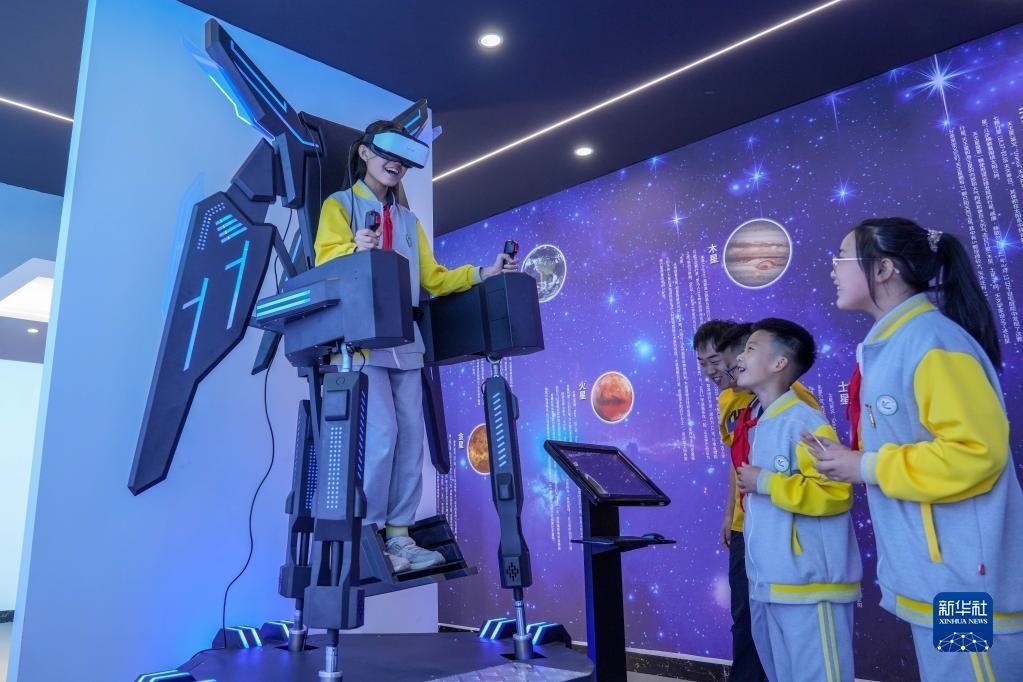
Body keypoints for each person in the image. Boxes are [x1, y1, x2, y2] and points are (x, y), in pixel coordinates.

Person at [806, 217, 1023, 680]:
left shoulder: (930, 342)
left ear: (884, 269)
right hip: (938, 576)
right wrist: (851, 461)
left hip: (963, 586)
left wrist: (865, 466)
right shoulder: (897, 342)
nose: (832, 268)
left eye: (841, 257)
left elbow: (976, 453)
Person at [314, 120, 517, 572]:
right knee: (381, 434)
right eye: (389, 155)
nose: (397, 165)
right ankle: (368, 537)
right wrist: (354, 248)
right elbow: (325, 260)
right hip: (361, 338)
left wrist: (483, 273)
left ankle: (399, 536)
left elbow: (433, 278)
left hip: (405, 338)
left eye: (405, 161)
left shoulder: (408, 221)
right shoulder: (340, 205)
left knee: (411, 437)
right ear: (365, 153)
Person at [734, 318, 861, 682]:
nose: (740, 357)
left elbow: (835, 492)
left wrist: (766, 481)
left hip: (809, 587)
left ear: (780, 363)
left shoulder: (803, 421)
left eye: (751, 348)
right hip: (772, 584)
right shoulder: (765, 422)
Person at [694, 320, 768, 682]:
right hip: (743, 523)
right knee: (744, 615)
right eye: (702, 364)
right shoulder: (727, 400)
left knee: (772, 617)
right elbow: (735, 462)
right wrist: (729, 515)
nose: (711, 371)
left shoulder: (778, 395)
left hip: (774, 521)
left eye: (715, 361)